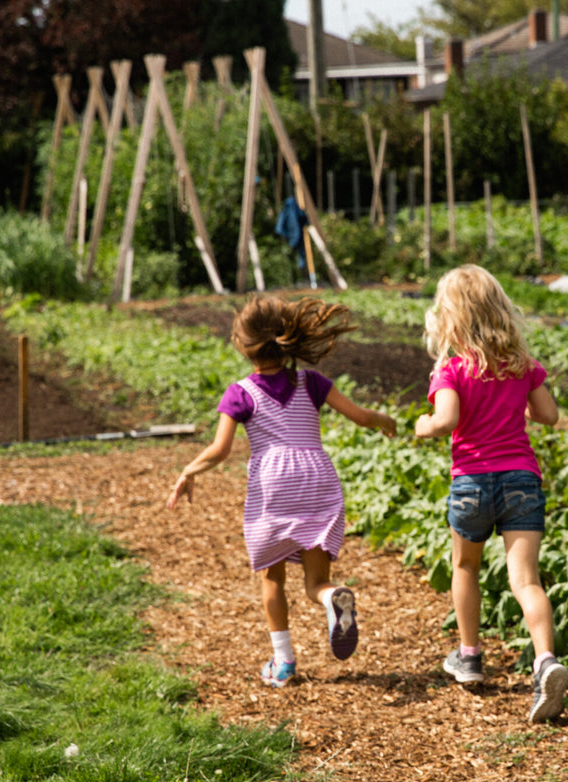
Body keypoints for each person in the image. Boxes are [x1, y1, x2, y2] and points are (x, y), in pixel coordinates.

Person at [167, 295, 397, 688]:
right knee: (314, 581)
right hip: (317, 476)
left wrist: (189, 470)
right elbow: (360, 416)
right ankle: (331, 597)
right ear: (286, 339)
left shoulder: (239, 393)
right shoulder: (312, 382)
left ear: (243, 346)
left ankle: (284, 662)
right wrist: (383, 420)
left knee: (272, 577)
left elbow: (220, 450)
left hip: (274, 482)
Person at [414, 264, 568, 723]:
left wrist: (424, 427)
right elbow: (549, 416)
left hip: (473, 483)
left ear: (450, 318)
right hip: (521, 479)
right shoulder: (523, 365)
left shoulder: (452, 370)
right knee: (526, 580)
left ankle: (470, 656)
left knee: (466, 566)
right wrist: (516, 394)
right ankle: (545, 660)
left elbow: (444, 422)